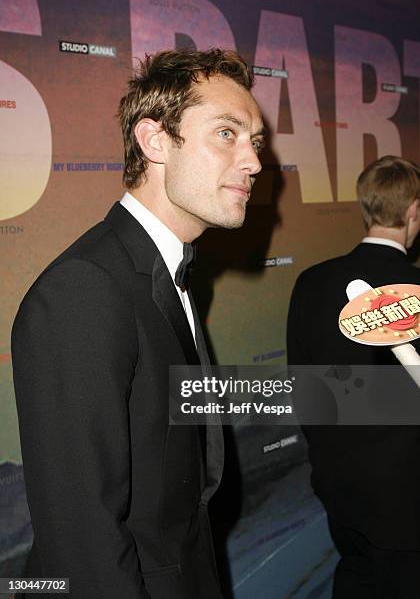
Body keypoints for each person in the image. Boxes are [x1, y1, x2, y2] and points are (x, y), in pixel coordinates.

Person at [11, 48, 264, 598]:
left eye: (255, 141)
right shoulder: (84, 289)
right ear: (155, 142)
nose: (254, 162)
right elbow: (82, 540)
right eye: (227, 133)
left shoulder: (167, 271)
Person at [287, 155, 420, 598]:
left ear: (367, 208)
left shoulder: (310, 283)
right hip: (409, 501)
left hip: (340, 487)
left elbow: (305, 394)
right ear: (414, 211)